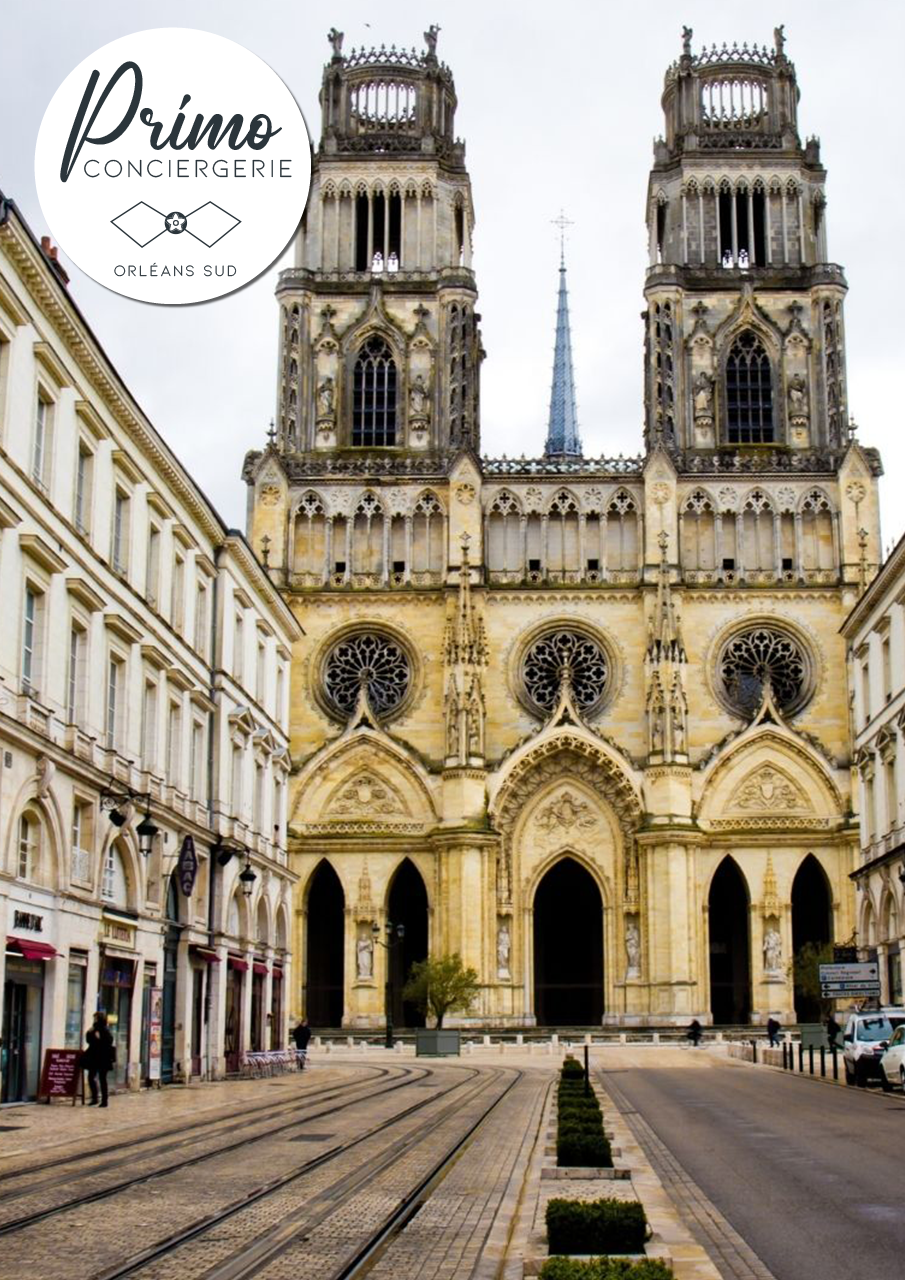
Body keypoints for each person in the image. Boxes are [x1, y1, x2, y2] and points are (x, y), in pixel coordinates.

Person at [84, 1011, 114, 1107]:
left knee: (102, 1078)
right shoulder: (94, 1028)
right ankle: (95, 1098)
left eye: (95, 1018)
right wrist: (89, 1032)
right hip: (94, 1056)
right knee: (91, 1077)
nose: (94, 1019)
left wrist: (99, 1038)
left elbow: (108, 1042)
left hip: (103, 1057)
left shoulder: (105, 1029)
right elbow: (88, 1040)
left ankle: (104, 1100)